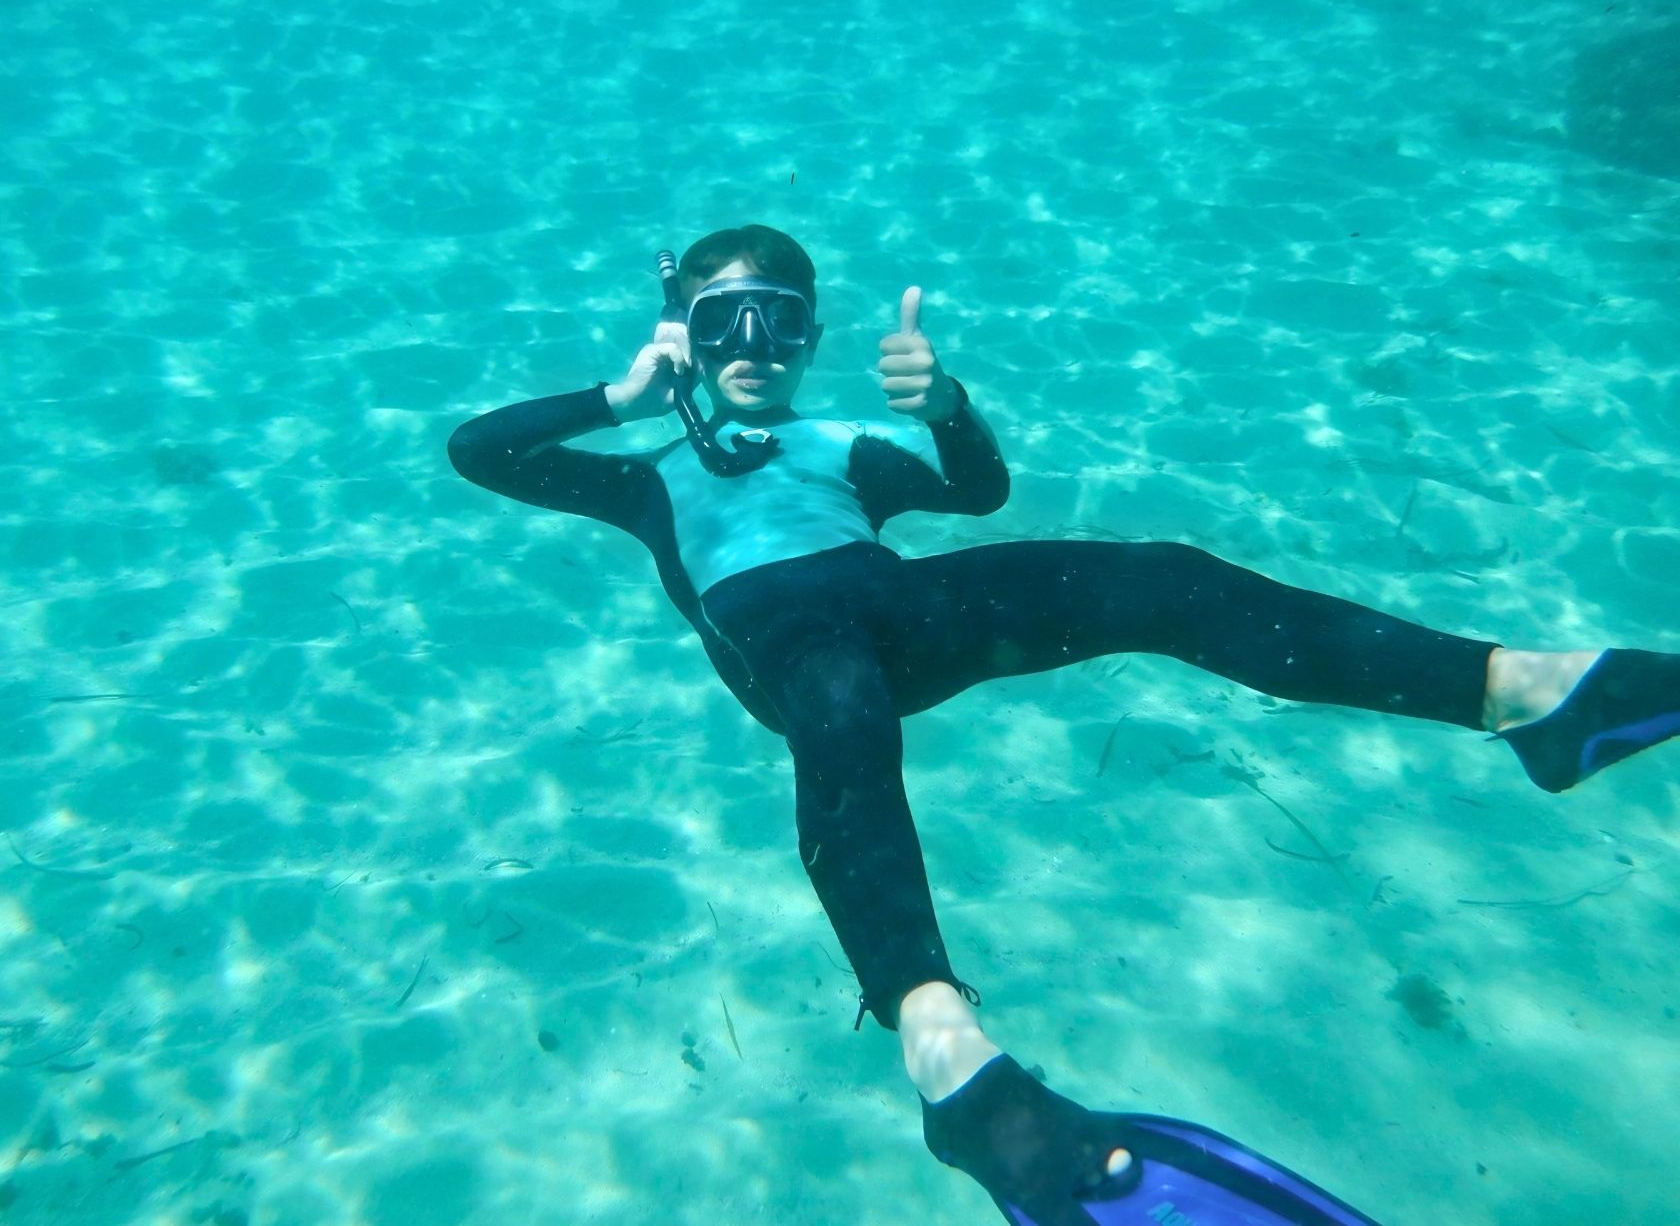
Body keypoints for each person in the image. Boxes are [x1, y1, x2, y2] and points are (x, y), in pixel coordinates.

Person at [447, 224, 1677, 1224]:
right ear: (686, 332)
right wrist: (619, 392)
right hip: (802, 659)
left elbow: (976, 490)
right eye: (724, 318)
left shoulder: (841, 443)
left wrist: (949, 406)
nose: (755, 340)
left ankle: (1529, 693)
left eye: (781, 315)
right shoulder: (645, 473)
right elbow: (479, 451)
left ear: (814, 333)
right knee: (837, 707)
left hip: (907, 614)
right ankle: (941, 1041)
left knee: (1163, 575)